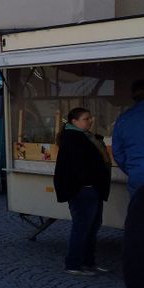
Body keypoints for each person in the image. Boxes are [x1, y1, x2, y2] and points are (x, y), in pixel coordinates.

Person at [53, 107, 112, 276]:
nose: (90, 121)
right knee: (83, 227)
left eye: (90, 118)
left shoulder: (84, 137)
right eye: (86, 119)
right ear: (74, 121)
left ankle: (88, 262)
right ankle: (74, 264)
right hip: (83, 189)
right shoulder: (73, 138)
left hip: (92, 188)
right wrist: (88, 182)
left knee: (92, 226)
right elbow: (79, 166)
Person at [113, 79, 144, 197]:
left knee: (140, 213)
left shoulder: (124, 118)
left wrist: (133, 169)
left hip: (137, 177)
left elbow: (118, 152)